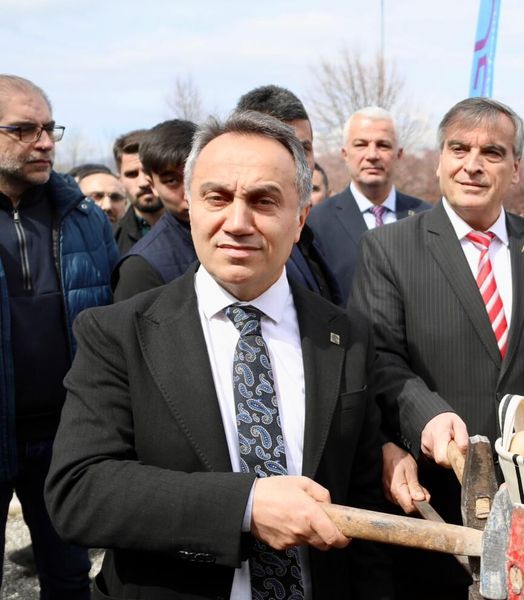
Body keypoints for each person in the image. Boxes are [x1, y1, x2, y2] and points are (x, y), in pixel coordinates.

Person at [45, 110, 391, 600]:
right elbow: (79, 492)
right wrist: (244, 506)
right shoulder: (117, 333)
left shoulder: (346, 336)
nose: (238, 222)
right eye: (218, 197)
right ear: (190, 206)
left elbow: (364, 508)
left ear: (299, 219)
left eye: (264, 200)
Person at [350, 97, 524, 598]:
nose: (473, 164)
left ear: (516, 167)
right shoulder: (389, 248)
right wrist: (425, 415)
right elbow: (378, 358)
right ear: (439, 160)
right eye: (459, 149)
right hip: (434, 499)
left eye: (492, 152)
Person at [0, 74, 117, 598]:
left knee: (70, 576)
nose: (44, 142)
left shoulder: (84, 217)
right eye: (24, 130)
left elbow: (112, 320)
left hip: (66, 436)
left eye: (49, 128)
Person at [307, 106, 430, 305]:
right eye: (361, 145)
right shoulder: (318, 222)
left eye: (383, 145)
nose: (372, 155)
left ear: (399, 154)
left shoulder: (425, 218)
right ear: (345, 153)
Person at [235, 84, 343, 305]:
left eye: (305, 149)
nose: (298, 163)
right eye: (284, 148)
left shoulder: (308, 235)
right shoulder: (235, 243)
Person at [112, 119, 197, 301]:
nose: (187, 192)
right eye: (171, 181)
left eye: (193, 176)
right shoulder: (138, 266)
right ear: (153, 184)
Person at [112, 129, 163, 254]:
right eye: (132, 174)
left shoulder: (195, 228)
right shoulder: (111, 241)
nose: (143, 182)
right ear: (120, 181)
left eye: (149, 171)